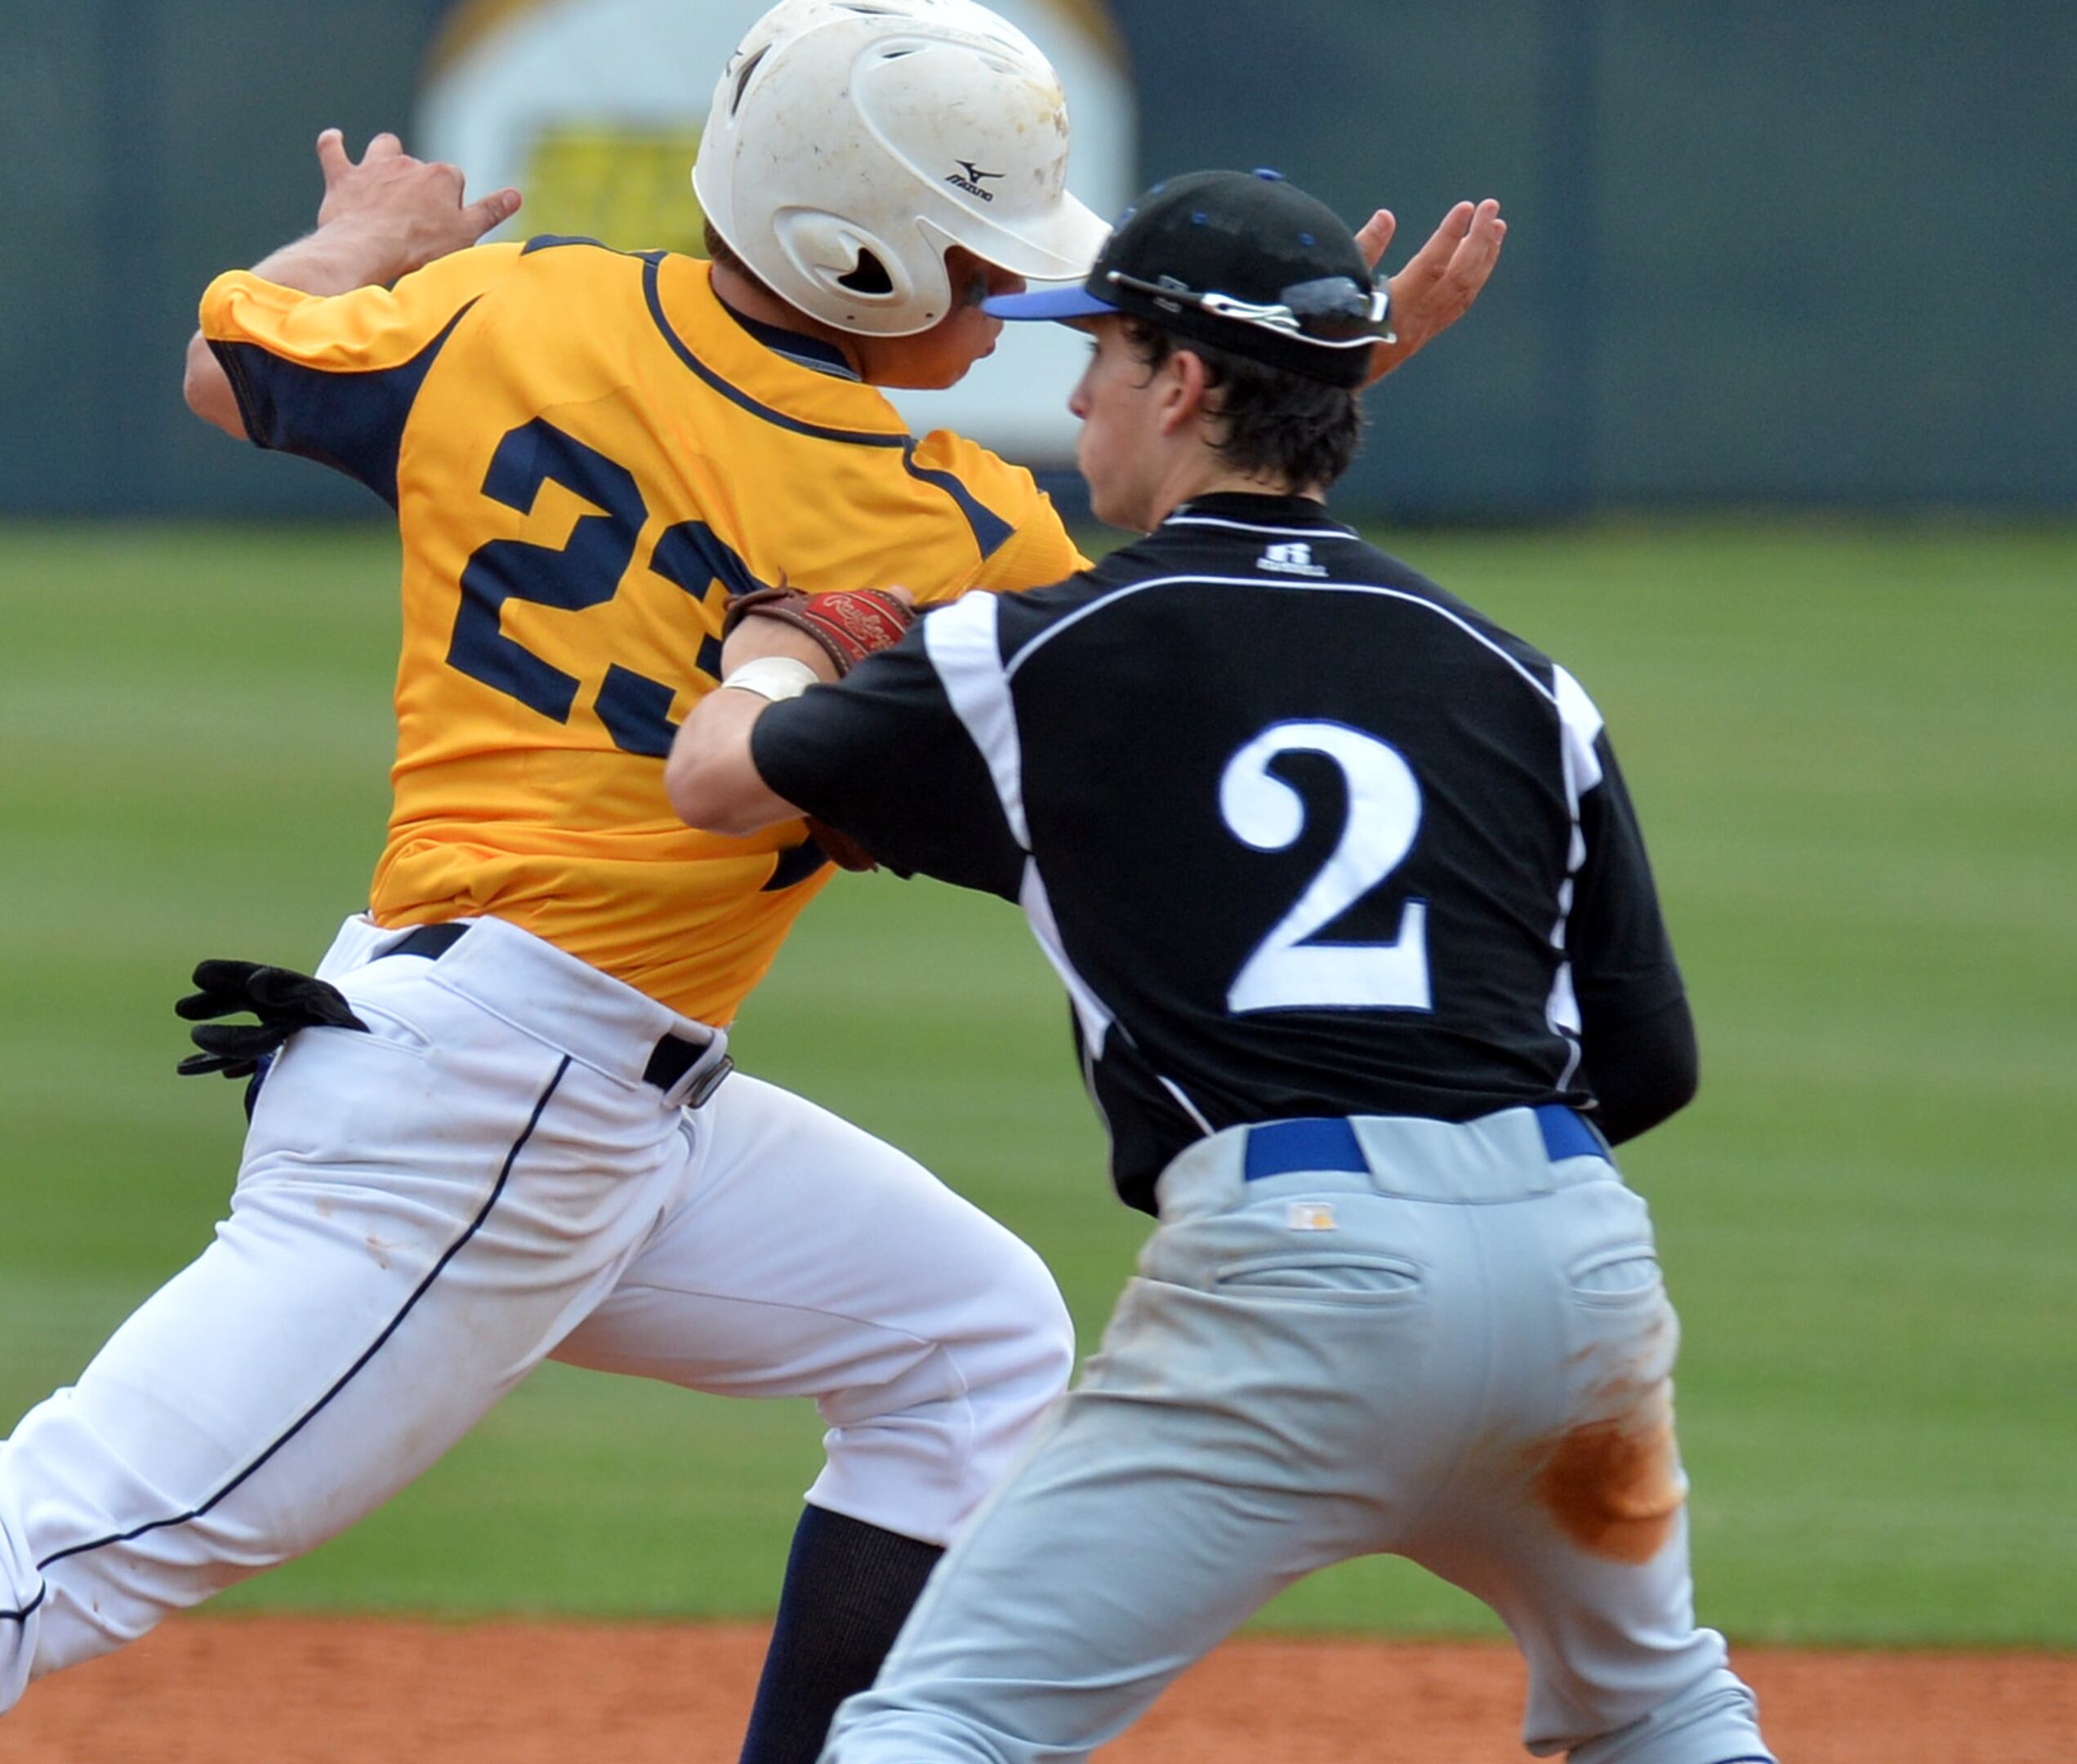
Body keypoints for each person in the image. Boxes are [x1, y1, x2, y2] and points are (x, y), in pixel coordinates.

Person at [0, 11, 1502, 1763]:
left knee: (965, 1336)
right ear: (856, 258)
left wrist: (342, 238)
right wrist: (1317, 397)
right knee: (39, 1543)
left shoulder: (521, 306)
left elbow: (241, 366)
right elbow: (1194, 599)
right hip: (498, 1119)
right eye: (980, 266)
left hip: (522, 1065)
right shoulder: (936, 507)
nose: (1020, 303)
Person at [663, 168, 1772, 1764]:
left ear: (1181, 384)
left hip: (1294, 1279)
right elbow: (1647, 1065)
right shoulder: (1523, 682)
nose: (1077, 387)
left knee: (939, 1729)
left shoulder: (1029, 653)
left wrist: (788, 636)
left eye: (1101, 352)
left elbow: (716, 780)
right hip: (1575, 1275)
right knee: (1662, 1714)